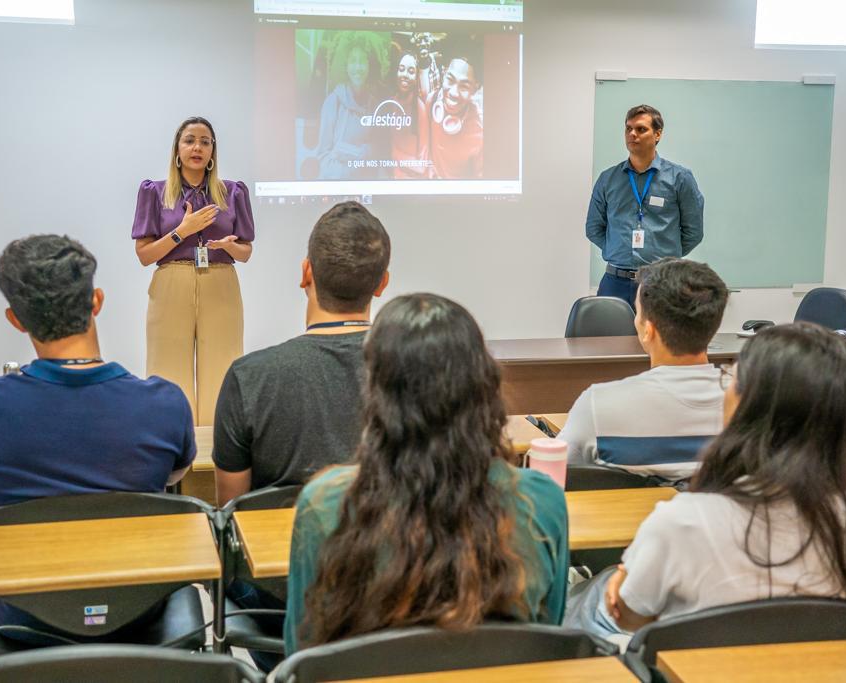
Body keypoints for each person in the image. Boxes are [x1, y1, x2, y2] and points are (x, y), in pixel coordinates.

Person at [284, 293, 569, 655]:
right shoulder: (541, 501)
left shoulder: (324, 504)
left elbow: (304, 655)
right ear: (483, 384)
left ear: (376, 393)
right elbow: (548, 643)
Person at [0, 234, 195, 643]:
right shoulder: (164, 402)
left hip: (23, 619)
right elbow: (176, 474)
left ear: (16, 319)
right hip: (142, 613)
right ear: (96, 300)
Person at [565, 323, 846, 638]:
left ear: (749, 406)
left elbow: (629, 619)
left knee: (582, 601)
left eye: (732, 378)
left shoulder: (683, 520)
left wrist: (621, 588)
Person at [212, 201, 391, 505]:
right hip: (394, 550)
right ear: (381, 284)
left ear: (306, 273)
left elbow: (232, 515)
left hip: (279, 551)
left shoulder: (249, 378)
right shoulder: (418, 373)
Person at [559, 258, 728, 483]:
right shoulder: (751, 405)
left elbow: (552, 474)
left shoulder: (598, 405)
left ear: (648, 330)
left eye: (637, 313)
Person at [132, 116, 254, 426]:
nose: (197, 147)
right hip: (172, 280)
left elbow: (246, 252)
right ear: (177, 149)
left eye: (205, 141)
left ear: (213, 151)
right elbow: (145, 256)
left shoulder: (233, 192)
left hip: (221, 282)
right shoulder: (155, 192)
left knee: (223, 369)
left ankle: (218, 458)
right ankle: (173, 458)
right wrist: (182, 232)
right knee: (168, 371)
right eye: (189, 140)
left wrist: (228, 246)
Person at [586, 104, 704, 309]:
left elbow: (694, 231)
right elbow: (594, 228)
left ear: (657, 134)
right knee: (609, 341)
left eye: (641, 129)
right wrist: (616, 249)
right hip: (616, 282)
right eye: (628, 128)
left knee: (663, 341)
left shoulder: (680, 178)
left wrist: (664, 255)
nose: (632, 134)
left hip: (663, 282)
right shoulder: (608, 179)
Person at [316, 32, 390, 180]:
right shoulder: (333, 102)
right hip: (337, 186)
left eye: (362, 61)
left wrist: (367, 152)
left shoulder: (375, 105)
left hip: (366, 189)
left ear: (370, 65)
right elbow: (323, 156)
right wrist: (351, 169)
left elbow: (377, 150)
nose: (358, 67)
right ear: (346, 65)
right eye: (353, 61)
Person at [426, 55, 483, 179]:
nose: (453, 93)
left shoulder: (480, 135)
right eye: (450, 80)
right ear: (444, 73)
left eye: (464, 86)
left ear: (475, 89)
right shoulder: (432, 101)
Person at [391, 52, 429, 179]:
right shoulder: (389, 103)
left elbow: (422, 166)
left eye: (411, 71)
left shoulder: (420, 108)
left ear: (417, 76)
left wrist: (391, 152)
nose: (405, 75)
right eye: (401, 69)